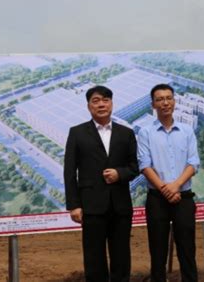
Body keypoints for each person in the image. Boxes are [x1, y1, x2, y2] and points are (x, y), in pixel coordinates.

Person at [64, 85, 138, 282]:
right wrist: (74, 205)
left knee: (121, 255)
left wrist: (119, 173)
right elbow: (69, 171)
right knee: (94, 257)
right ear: (88, 106)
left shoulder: (126, 133)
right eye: (96, 101)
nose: (101, 104)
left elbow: (134, 167)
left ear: (112, 104)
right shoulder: (77, 133)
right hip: (91, 206)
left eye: (105, 100)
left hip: (120, 205)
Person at [137, 83, 199, 282]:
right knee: (157, 252)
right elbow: (145, 165)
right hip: (157, 199)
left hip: (184, 197)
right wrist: (165, 189)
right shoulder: (145, 133)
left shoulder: (187, 130)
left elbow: (193, 163)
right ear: (153, 104)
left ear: (174, 101)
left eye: (168, 98)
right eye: (160, 99)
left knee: (187, 250)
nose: (165, 103)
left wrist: (175, 186)